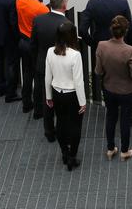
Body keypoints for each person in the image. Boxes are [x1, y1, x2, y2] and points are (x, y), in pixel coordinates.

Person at [79, 0, 132, 123]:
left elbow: (81, 30)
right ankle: (129, 111)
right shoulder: (122, 2)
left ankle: (110, 106)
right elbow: (130, 29)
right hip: (121, 48)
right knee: (125, 76)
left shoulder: (92, 3)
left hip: (101, 49)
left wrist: (94, 44)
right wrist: (130, 47)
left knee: (105, 76)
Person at [95, 15, 132, 161]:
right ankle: (124, 151)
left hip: (109, 88)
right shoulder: (129, 50)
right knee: (125, 120)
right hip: (127, 91)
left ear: (111, 29)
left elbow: (98, 71)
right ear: (126, 31)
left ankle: (110, 148)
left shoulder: (101, 46)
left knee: (111, 117)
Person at [30, 0, 71, 141]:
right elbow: (70, 51)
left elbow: (33, 45)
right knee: (62, 102)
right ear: (64, 6)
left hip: (42, 65)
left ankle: (49, 132)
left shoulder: (38, 20)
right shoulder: (66, 24)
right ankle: (62, 130)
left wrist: (38, 62)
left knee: (47, 100)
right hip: (60, 70)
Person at [45, 22, 86, 171]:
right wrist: (82, 102)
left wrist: (48, 96)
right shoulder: (75, 55)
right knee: (75, 125)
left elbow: (47, 77)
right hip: (72, 95)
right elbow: (78, 81)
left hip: (57, 93)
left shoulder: (50, 51)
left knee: (61, 123)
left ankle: (64, 152)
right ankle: (72, 157)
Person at [15, 0, 48, 113]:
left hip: (22, 42)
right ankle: (38, 109)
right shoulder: (42, 9)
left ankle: (26, 104)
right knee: (39, 77)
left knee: (27, 74)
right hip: (35, 46)